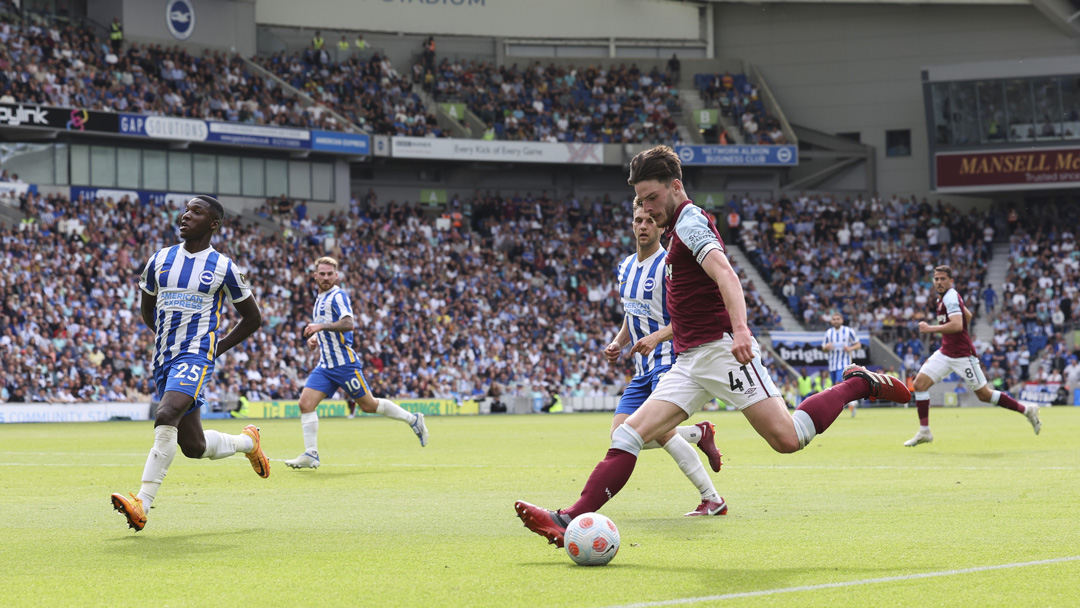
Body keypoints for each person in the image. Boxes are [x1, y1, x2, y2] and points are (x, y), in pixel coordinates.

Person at [514, 146, 911, 547]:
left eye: (652, 198)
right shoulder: (671, 231)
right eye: (640, 201)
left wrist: (740, 330)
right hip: (688, 361)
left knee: (788, 439)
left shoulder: (691, 223)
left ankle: (860, 383)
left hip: (722, 352)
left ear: (676, 187)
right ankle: (569, 517)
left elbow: (726, 273)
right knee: (629, 433)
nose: (647, 209)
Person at [111, 196, 269, 532]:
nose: (186, 215)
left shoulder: (224, 267)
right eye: (185, 209)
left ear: (213, 224)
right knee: (193, 447)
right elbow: (147, 308)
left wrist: (213, 349)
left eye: (196, 212)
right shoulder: (159, 260)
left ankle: (142, 503)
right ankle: (248, 443)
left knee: (166, 414)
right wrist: (165, 338)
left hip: (195, 356)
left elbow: (253, 318)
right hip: (164, 359)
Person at [604, 202, 725, 517]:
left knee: (657, 431)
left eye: (649, 220)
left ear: (660, 227)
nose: (643, 226)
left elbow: (685, 317)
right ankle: (700, 434)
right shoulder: (625, 267)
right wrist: (618, 342)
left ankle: (712, 498)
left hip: (670, 361)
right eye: (637, 220)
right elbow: (632, 314)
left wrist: (657, 337)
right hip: (641, 368)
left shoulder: (668, 266)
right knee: (622, 435)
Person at [284, 257, 428, 469]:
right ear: (314, 275)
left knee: (369, 405)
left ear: (336, 276)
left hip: (344, 365)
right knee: (305, 403)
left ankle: (413, 419)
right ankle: (311, 454)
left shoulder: (338, 295)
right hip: (325, 365)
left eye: (329, 274)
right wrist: (316, 338)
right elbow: (325, 328)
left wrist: (320, 328)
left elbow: (348, 323)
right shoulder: (319, 298)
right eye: (321, 273)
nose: (325, 277)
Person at [904, 265, 1040, 446]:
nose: (939, 282)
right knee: (919, 384)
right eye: (936, 279)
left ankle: (1027, 410)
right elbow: (967, 315)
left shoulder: (950, 296)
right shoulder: (944, 297)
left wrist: (931, 329)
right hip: (945, 353)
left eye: (943, 279)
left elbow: (958, 325)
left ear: (951, 281)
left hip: (962, 356)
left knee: (984, 395)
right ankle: (924, 432)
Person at [822, 312, 860, 416]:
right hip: (832, 364)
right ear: (831, 321)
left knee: (839, 385)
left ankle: (836, 408)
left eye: (838, 319)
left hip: (844, 364)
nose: (836, 321)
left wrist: (849, 348)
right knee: (836, 386)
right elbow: (824, 349)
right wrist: (826, 348)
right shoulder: (828, 333)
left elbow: (858, 345)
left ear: (842, 320)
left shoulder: (848, 331)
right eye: (834, 319)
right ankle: (852, 402)